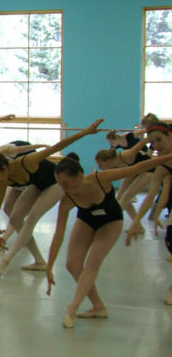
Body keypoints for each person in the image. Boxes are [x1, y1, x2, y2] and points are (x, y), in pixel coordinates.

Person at [46, 151, 172, 327]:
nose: (64, 188)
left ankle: (72, 308)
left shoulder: (100, 179)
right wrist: (49, 266)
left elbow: (138, 168)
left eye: (66, 183)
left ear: (79, 175)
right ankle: (98, 307)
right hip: (87, 220)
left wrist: (168, 157)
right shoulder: (66, 200)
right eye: (60, 184)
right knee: (72, 265)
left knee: (92, 263)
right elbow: (58, 234)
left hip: (111, 221)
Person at [0, 120, 104, 278]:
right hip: (38, 185)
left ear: (4, 167)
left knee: (31, 218)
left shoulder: (27, 162)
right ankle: (40, 261)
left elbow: (56, 147)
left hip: (55, 183)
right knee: (15, 218)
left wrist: (85, 132)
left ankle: (5, 262)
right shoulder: (3, 180)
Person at [125, 124, 172, 305]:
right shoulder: (161, 165)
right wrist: (135, 222)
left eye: (159, 140)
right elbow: (151, 195)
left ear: (169, 136)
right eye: (152, 142)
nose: (157, 145)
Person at [94, 138, 153, 231]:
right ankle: (138, 227)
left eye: (100, 165)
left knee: (125, 197)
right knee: (120, 197)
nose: (100, 167)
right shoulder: (113, 164)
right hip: (134, 171)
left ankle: (108, 223)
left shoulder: (126, 155)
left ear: (108, 160)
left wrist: (152, 138)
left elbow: (141, 143)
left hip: (149, 170)